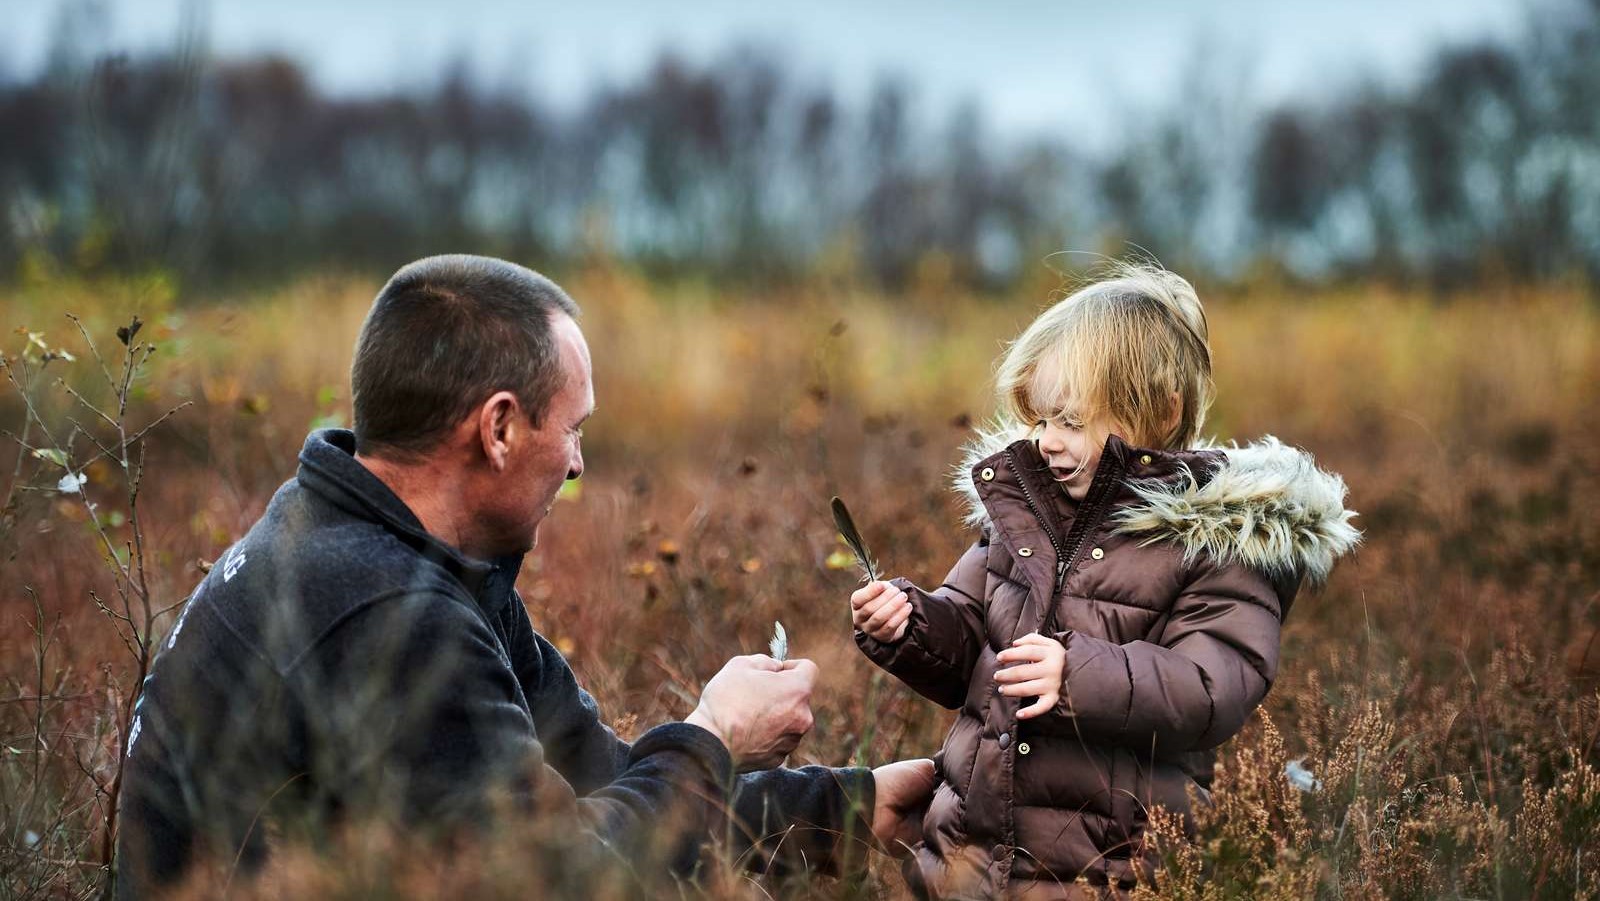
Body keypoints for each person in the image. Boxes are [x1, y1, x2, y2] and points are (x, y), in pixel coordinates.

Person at [115, 255, 934, 897]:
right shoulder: (385, 609)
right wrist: (715, 733)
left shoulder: (393, 545)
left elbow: (597, 780)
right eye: (574, 430)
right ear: (500, 428)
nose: (579, 464)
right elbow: (562, 877)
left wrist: (845, 810)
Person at [848, 263, 1360, 899]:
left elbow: (1210, 688)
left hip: (1109, 871)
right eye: (1037, 420)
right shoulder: (1024, 517)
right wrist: (909, 625)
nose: (1045, 442)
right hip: (965, 862)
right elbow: (968, 643)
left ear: (1158, 412)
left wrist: (1075, 676)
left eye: (1068, 420)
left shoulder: (1215, 545)